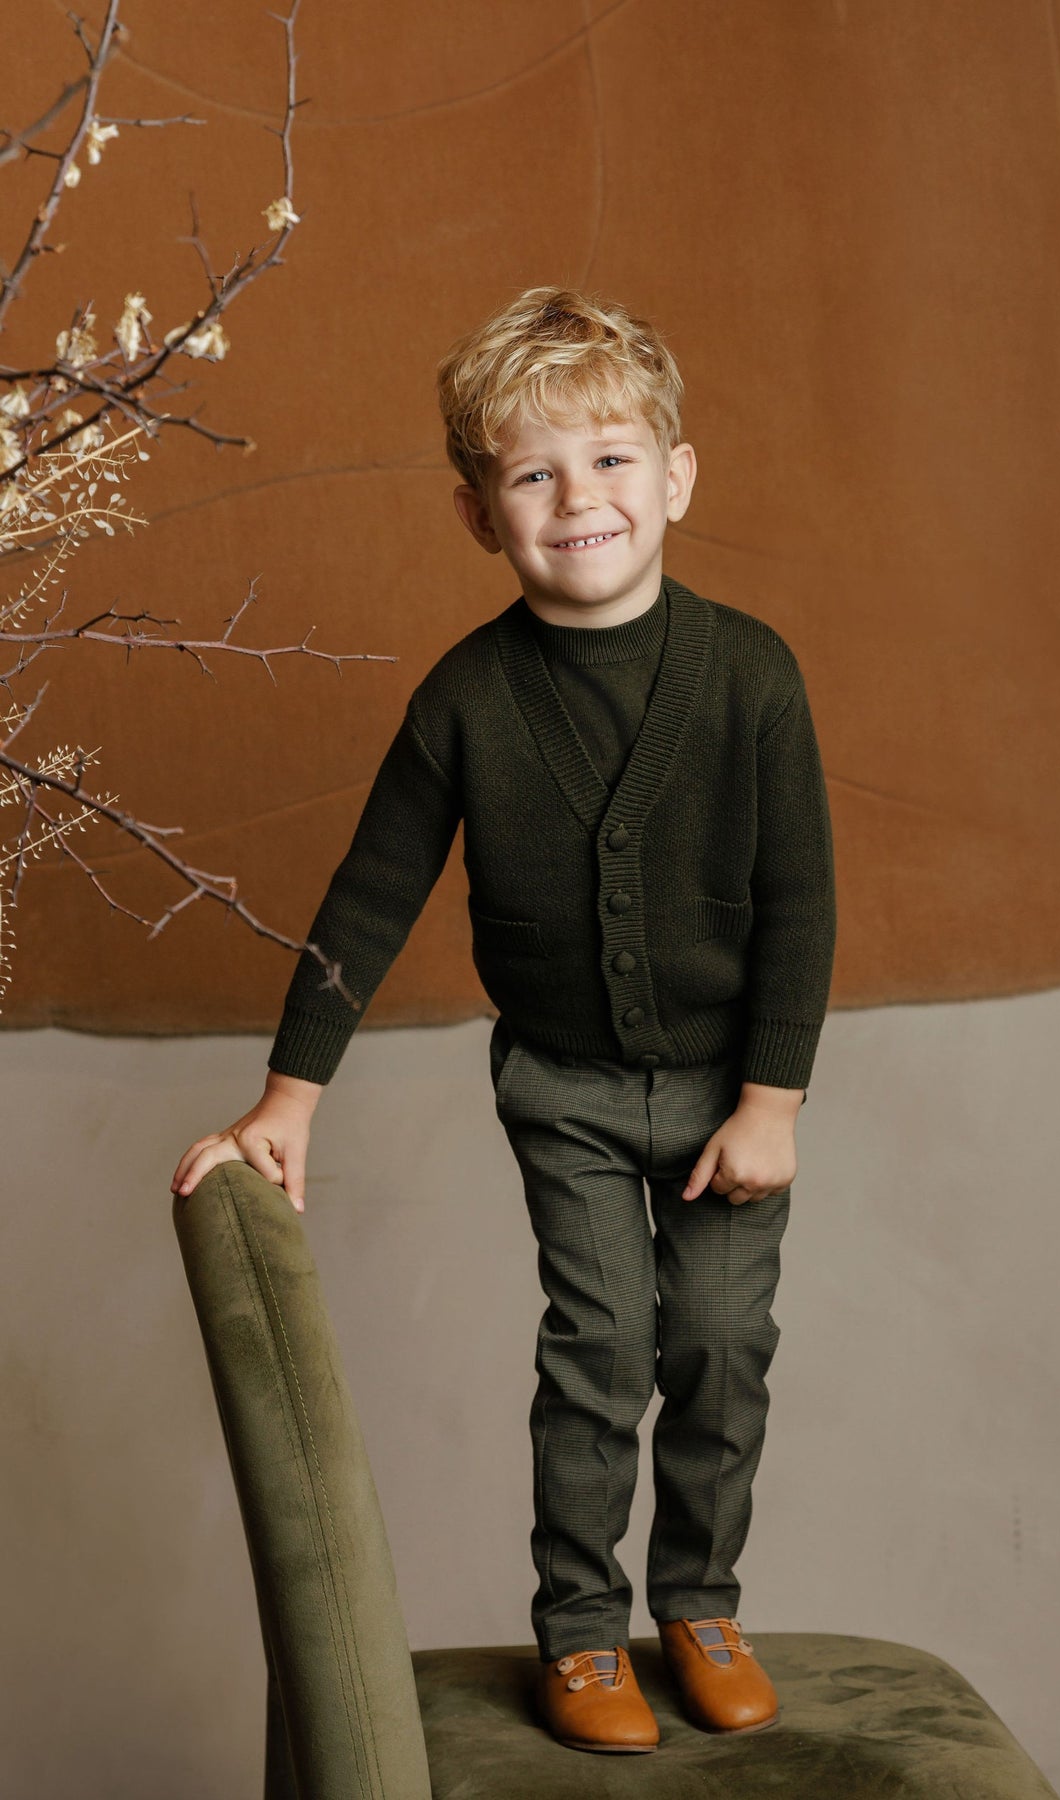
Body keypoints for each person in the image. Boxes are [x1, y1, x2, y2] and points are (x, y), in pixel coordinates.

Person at [171, 286, 836, 1756]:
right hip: (565, 1092)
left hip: (728, 1099)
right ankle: (583, 1631)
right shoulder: (464, 701)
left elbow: (802, 906)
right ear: (481, 514)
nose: (579, 498)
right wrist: (288, 1097)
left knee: (722, 1347)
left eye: (611, 458)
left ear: (676, 477)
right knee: (599, 1349)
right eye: (534, 473)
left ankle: (700, 1604)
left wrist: (773, 1104)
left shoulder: (753, 678)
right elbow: (368, 899)